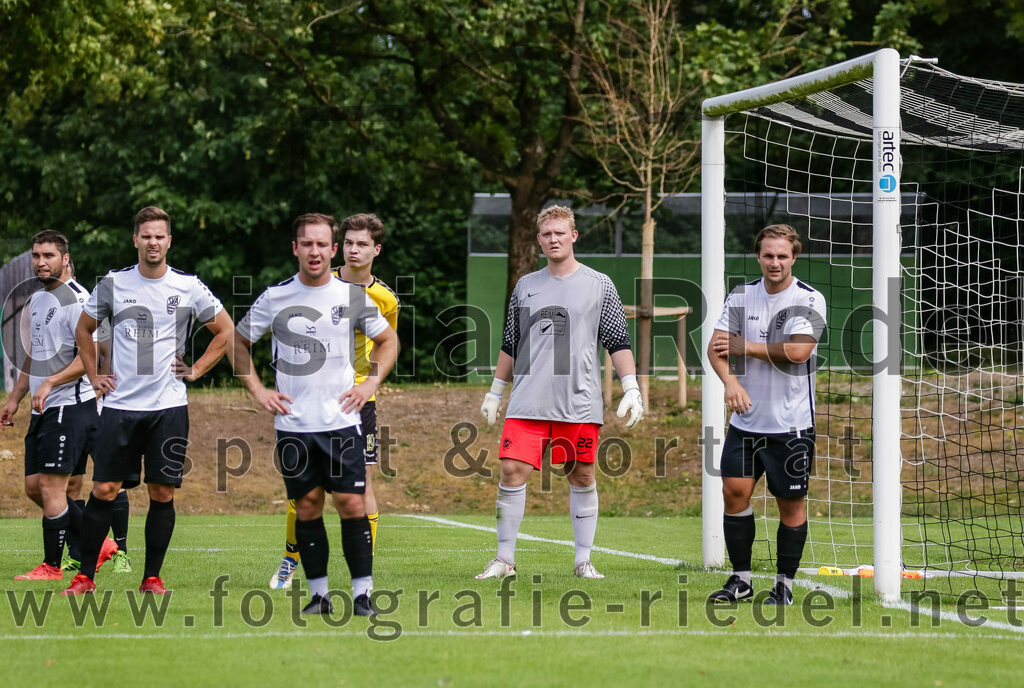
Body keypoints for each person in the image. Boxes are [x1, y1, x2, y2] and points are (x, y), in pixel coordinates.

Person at [61, 206, 233, 595]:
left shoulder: (188, 286)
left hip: (168, 408)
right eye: (146, 235)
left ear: (169, 241)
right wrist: (93, 375)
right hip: (119, 408)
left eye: (160, 236)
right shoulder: (113, 284)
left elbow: (224, 330)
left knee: (162, 493)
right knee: (104, 489)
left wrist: (197, 370)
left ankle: (151, 578)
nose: (153, 242)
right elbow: (84, 330)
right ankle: (85, 576)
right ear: (134, 240)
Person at [233, 212, 398, 615]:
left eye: (323, 244)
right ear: (295, 248)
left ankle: (362, 595)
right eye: (307, 243)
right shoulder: (275, 297)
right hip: (293, 423)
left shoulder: (352, 296)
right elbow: (237, 342)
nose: (315, 251)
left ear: (333, 249)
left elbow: (388, 341)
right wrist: (257, 389)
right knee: (307, 505)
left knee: (352, 504)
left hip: (342, 421)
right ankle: (319, 596)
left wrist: (369, 384)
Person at [476, 205, 644, 580]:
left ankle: (583, 561)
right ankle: (505, 560)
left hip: (579, 401)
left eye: (560, 233)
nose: (553, 239)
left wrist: (631, 388)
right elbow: (510, 343)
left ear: (573, 237)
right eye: (546, 234)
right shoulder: (525, 286)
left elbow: (617, 341)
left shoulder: (600, 284)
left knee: (581, 475)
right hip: (527, 400)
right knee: (511, 470)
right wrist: (494, 392)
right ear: (538, 240)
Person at [707, 224, 826, 606]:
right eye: (768, 255)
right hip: (745, 423)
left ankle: (784, 585)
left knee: (790, 504)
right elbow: (716, 347)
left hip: (791, 425)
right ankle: (741, 579)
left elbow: (798, 352)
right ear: (758, 256)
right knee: (733, 493)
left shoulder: (809, 299)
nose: (775, 263)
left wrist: (746, 346)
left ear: (794, 257)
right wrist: (730, 383)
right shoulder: (742, 295)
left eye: (782, 256)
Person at [0, 231, 117, 579]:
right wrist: (14, 398)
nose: (40, 262)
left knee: (53, 487)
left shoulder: (79, 301)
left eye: (48, 255)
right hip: (42, 409)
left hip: (70, 406)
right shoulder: (37, 300)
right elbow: (35, 356)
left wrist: (51, 382)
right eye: (36, 256)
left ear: (65, 259)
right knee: (34, 486)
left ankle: (52, 566)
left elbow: (90, 359)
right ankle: (102, 545)